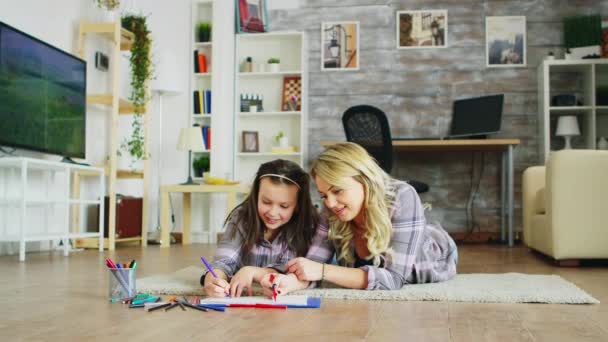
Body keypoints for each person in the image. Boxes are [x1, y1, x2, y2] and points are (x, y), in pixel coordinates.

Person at [261, 142, 457, 294]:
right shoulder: (332, 210)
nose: (330, 203)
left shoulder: (403, 196)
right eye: (323, 195)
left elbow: (394, 279)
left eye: (337, 191)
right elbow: (313, 263)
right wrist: (288, 283)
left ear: (364, 180)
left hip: (436, 253)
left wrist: (323, 270)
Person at [201, 159, 320, 297]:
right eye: (266, 202)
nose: (272, 213)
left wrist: (251, 271)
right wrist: (212, 280)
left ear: (298, 204)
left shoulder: (309, 226)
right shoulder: (241, 217)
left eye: (284, 206)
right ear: (256, 195)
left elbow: (290, 271)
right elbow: (223, 261)